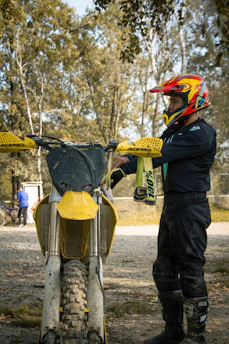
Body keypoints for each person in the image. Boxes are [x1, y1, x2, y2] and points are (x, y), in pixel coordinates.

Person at [110, 75, 216, 344]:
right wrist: (121, 167)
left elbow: (160, 152)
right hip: (172, 206)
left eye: (174, 99)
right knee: (164, 270)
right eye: (170, 100)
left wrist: (128, 157)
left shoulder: (201, 133)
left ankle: (196, 338)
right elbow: (153, 151)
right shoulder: (175, 131)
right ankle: (173, 331)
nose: (169, 105)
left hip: (191, 207)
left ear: (191, 102)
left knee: (190, 271)